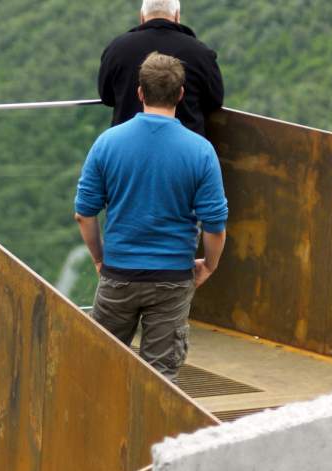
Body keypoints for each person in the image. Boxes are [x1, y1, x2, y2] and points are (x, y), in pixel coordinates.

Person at [74, 53, 228, 378]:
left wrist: (100, 259)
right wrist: (210, 266)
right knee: (161, 379)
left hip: (119, 272)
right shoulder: (201, 150)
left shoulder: (107, 143)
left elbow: (84, 214)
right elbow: (215, 225)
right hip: (173, 276)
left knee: (99, 368)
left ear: (140, 92)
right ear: (181, 94)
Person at [97, 0, 224, 136]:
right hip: (184, 144)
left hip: (127, 143)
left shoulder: (117, 49)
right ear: (177, 15)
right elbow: (215, 101)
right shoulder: (200, 53)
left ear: (142, 16)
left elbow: (107, 98)